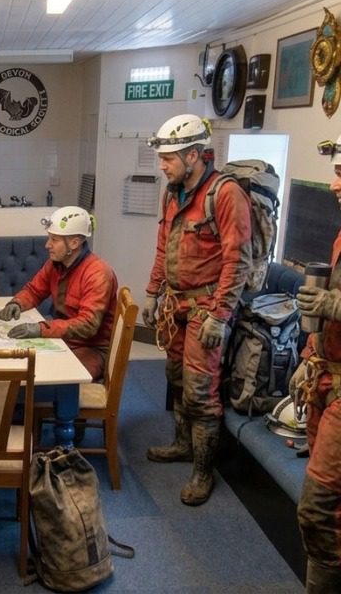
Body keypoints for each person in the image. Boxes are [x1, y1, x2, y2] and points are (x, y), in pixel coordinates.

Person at [142, 114, 252, 506]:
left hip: (207, 306)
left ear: (193, 154)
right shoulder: (172, 192)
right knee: (174, 375)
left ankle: (203, 472)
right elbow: (163, 245)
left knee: (200, 391)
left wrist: (220, 315)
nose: (162, 165)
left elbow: (238, 261)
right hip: (176, 303)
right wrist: (153, 292)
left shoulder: (225, 194)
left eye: (168, 157)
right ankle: (182, 443)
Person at [292, 135, 341, 592]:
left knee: (318, 507)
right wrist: (310, 356)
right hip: (327, 375)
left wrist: (332, 302)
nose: (333, 184)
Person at [0, 205, 117, 380]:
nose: (47, 245)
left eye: (54, 240)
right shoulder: (55, 264)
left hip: (91, 349)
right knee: (18, 365)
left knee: (47, 377)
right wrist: (17, 303)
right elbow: (34, 291)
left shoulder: (98, 273)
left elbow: (88, 325)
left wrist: (41, 329)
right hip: (63, 340)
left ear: (74, 243)